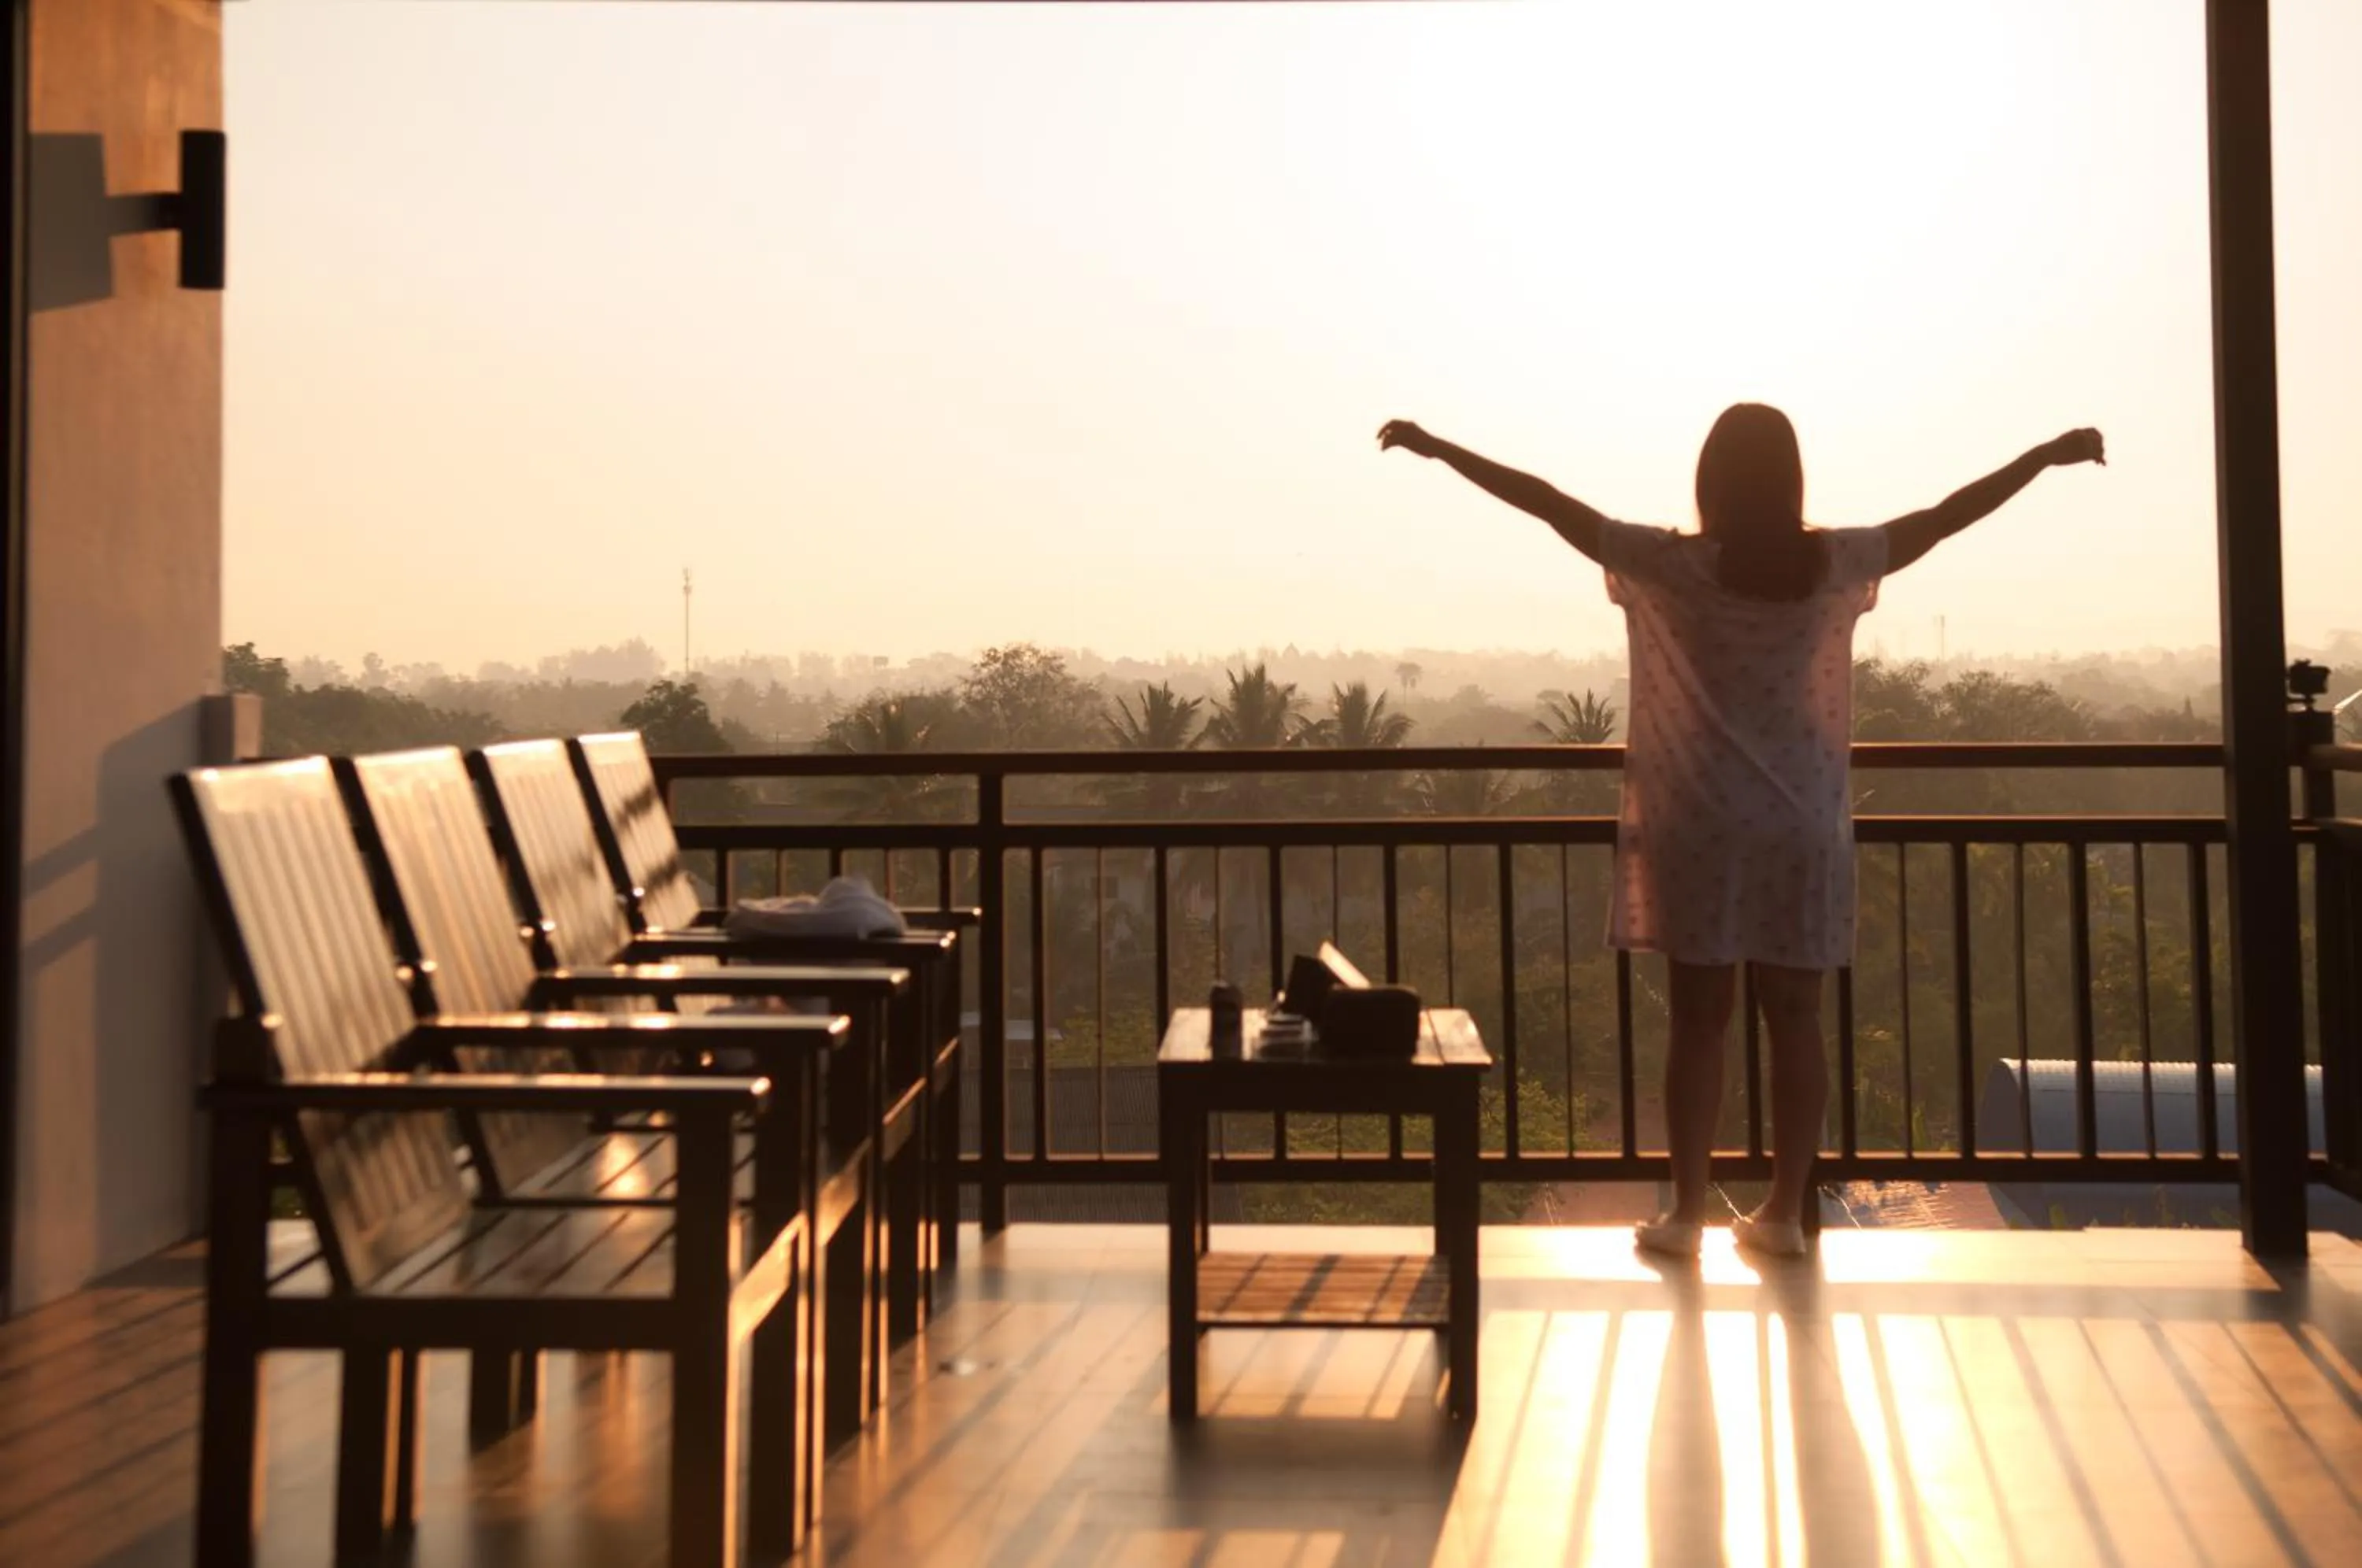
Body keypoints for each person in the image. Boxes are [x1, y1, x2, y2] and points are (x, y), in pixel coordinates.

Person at [1378, 404, 2104, 1256]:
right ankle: (1786, 1214)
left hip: (1700, 823)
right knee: (1796, 1021)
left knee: (1699, 1021)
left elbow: (1545, 502)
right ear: (1792, 477)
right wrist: (2045, 455)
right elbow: (1947, 517)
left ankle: (1687, 1212)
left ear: (1709, 479)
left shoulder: (1669, 563)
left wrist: (1438, 449)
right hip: (1799, 823)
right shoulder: (1837, 561)